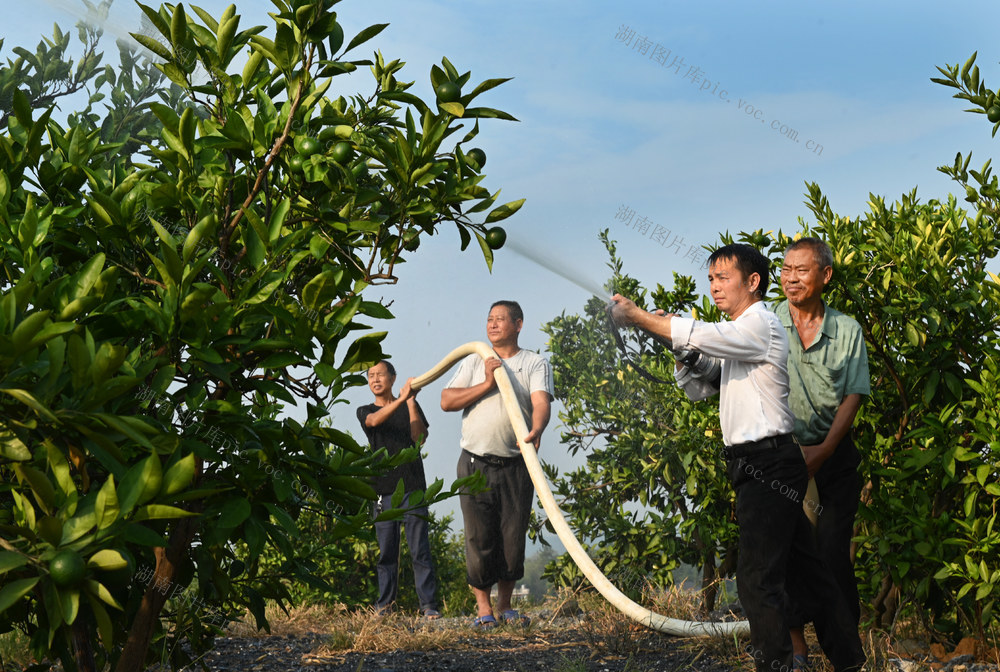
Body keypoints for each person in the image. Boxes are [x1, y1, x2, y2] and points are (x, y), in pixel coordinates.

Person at [609, 244, 864, 672]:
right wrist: (672, 341)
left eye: (723, 278)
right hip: (761, 463)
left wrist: (640, 317)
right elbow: (702, 383)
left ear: (753, 282)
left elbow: (707, 336)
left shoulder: (760, 324)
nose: (714, 287)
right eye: (710, 279)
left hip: (768, 463)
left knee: (756, 579)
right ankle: (851, 661)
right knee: (810, 572)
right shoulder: (740, 334)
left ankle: (777, 665)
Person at [776, 238, 870, 669]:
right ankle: (797, 650)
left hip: (834, 457)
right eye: (786, 269)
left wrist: (826, 449)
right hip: (783, 458)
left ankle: (847, 654)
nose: (791, 278)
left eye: (801, 269)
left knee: (832, 553)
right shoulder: (769, 320)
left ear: (825, 275)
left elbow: (853, 394)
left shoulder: (846, 329)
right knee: (788, 552)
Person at [441, 300, 553, 629]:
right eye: (490, 319)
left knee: (512, 537)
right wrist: (487, 384)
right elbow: (447, 400)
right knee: (479, 537)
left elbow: (541, 402)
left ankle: (505, 606)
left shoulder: (534, 362)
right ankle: (483, 609)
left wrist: (538, 427)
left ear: (518, 325)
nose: (493, 325)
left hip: (518, 464)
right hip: (474, 462)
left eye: (501, 319)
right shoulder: (477, 358)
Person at [356, 360, 441, 619]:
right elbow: (373, 422)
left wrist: (411, 401)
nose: (375, 379)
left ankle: (428, 606)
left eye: (380, 374)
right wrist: (401, 398)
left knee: (419, 549)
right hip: (383, 489)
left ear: (393, 378)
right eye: (371, 375)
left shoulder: (408, 406)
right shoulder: (365, 410)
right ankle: (385, 607)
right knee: (387, 553)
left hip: (413, 487)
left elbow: (420, 438)